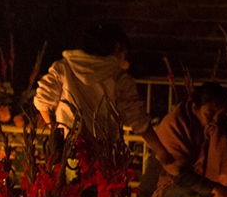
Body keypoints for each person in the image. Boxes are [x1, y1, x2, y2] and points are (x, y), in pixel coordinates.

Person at [34, 23, 178, 172]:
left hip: (66, 155)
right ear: (117, 47)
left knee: (66, 186)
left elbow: (42, 102)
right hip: (103, 158)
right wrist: (162, 153)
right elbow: (137, 120)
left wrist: (58, 134)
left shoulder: (63, 68)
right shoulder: (119, 78)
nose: (126, 62)